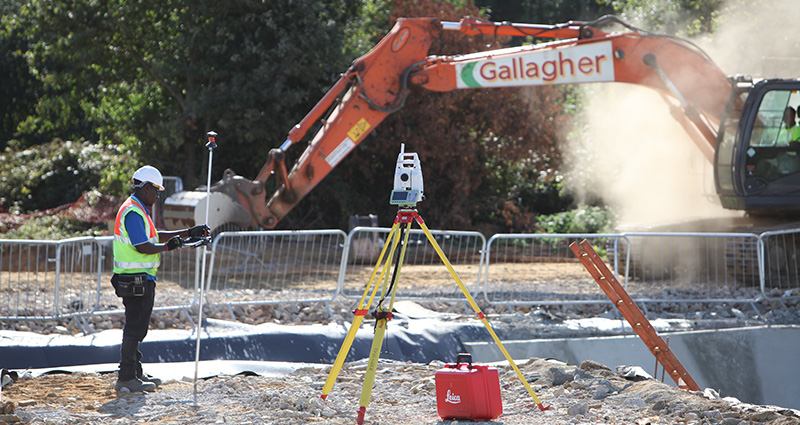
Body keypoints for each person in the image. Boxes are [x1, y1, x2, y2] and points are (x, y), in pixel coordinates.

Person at [112, 165, 209, 393]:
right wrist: (167, 247)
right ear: (145, 187)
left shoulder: (138, 208)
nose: (158, 195)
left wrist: (187, 233)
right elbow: (143, 246)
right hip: (134, 279)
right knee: (135, 328)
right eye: (156, 190)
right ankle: (126, 377)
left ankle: (135, 372)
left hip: (138, 278)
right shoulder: (133, 212)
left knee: (137, 327)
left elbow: (154, 235)